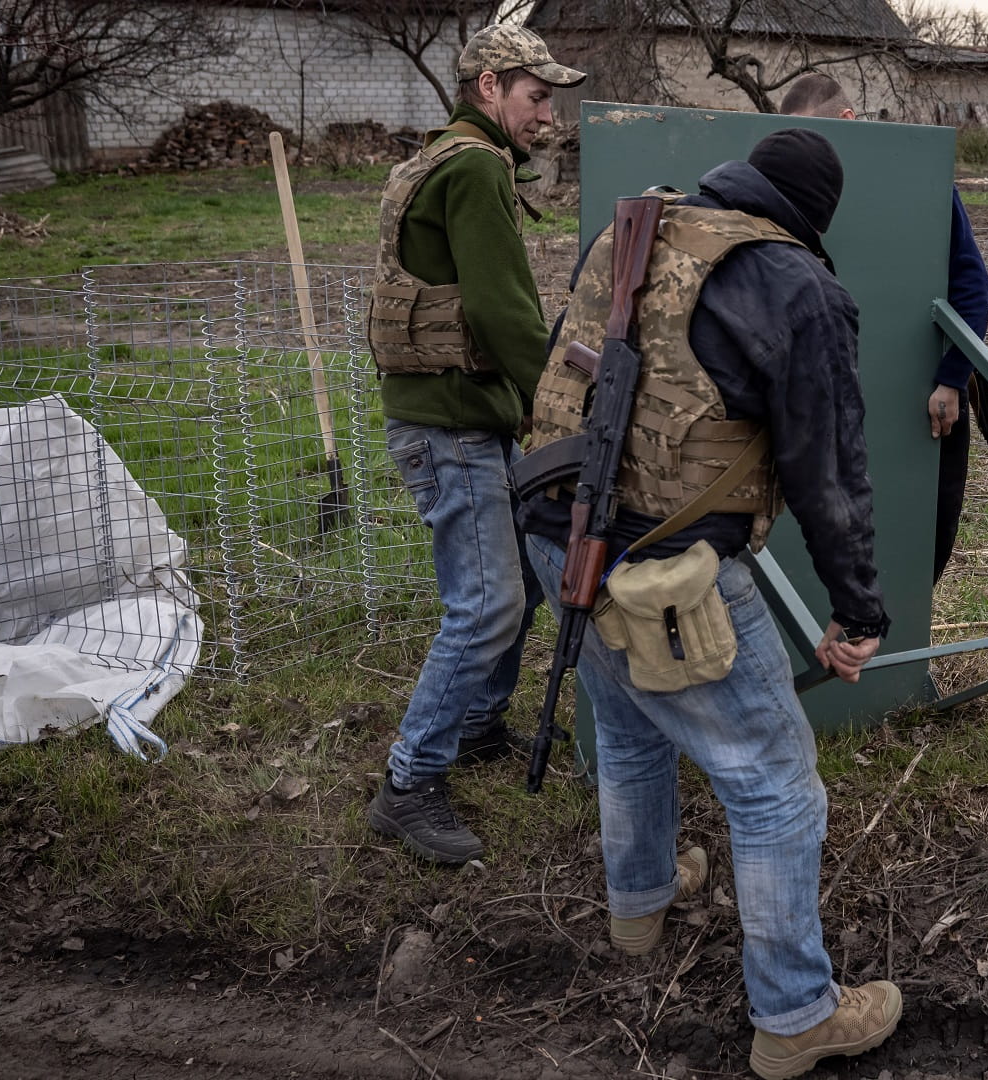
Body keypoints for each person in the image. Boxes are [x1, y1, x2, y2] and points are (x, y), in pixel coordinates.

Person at [521, 128, 901, 1080]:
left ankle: (639, 905)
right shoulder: (799, 288)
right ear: (814, 218)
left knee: (631, 726)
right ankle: (795, 1016)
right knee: (775, 787)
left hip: (551, 533)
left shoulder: (641, 228)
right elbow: (831, 476)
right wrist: (859, 611)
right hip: (663, 573)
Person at [361, 25, 585, 864]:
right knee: (486, 601)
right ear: (489, 87)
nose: (548, 116)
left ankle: (480, 725)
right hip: (451, 421)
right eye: (536, 97)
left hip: (456, 412)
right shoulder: (477, 166)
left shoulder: (439, 157)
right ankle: (410, 783)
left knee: (519, 579)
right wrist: (562, 402)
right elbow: (500, 310)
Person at [779, 73, 988, 584]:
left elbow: (973, 287)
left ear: (848, 121)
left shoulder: (916, 179)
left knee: (923, 530)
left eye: (814, 134)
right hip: (828, 391)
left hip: (921, 389)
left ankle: (900, 646)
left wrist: (950, 378)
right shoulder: (799, 185)